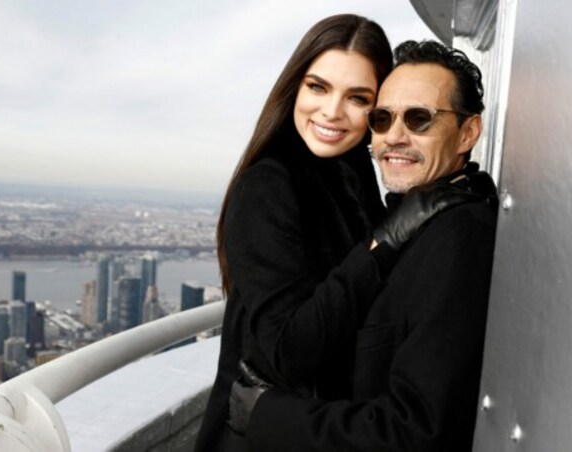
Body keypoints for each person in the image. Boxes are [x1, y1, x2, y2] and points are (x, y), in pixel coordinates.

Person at [194, 17, 483, 451]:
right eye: (318, 87)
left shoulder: (356, 176)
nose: (331, 112)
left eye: (359, 98)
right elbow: (285, 352)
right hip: (256, 437)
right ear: (295, 87)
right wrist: (384, 242)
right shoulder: (269, 185)